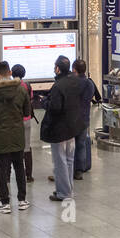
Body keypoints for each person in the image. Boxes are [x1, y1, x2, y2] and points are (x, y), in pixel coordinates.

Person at [0, 60, 33, 213]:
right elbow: (27, 112)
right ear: (10, 72)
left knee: (1, 169)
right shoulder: (21, 89)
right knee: (19, 166)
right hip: (17, 133)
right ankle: (22, 200)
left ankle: (5, 203)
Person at [41, 56, 88, 202]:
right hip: (72, 127)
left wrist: (44, 102)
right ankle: (68, 189)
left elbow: (55, 107)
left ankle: (64, 193)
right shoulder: (75, 81)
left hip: (59, 129)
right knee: (69, 159)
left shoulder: (58, 86)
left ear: (58, 68)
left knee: (60, 160)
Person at [71, 58, 99, 178]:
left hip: (72, 118)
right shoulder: (90, 83)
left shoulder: (72, 83)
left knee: (70, 145)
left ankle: (70, 169)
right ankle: (79, 170)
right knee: (81, 144)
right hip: (84, 117)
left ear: (74, 70)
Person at [10, 64, 35, 184]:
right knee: (26, 147)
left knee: (10, 147)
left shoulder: (10, 86)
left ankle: (7, 176)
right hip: (26, 119)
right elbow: (30, 100)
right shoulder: (28, 85)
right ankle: (29, 176)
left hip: (13, 120)